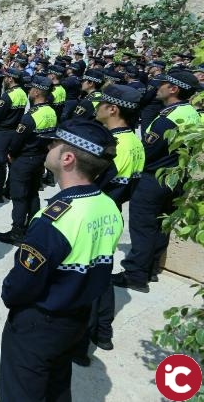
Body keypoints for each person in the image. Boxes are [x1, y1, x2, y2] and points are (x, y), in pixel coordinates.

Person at [0, 119, 122, 402]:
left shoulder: (54, 220)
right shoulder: (107, 205)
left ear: (68, 158)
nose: (48, 147)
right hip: (77, 317)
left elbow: (21, 285)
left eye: (53, 144)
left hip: (40, 325)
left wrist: (9, 295)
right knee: (56, 388)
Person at [70, 85, 145, 363]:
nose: (96, 107)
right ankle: (103, 331)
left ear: (113, 109)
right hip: (113, 212)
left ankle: (80, 345)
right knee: (102, 272)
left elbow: (91, 183)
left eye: (101, 103)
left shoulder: (112, 147)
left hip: (93, 214)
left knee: (83, 278)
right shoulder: (134, 142)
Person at [114, 69, 201, 293]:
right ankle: (150, 269)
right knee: (161, 226)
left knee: (143, 227)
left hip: (154, 179)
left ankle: (135, 275)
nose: (157, 88)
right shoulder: (191, 113)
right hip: (176, 178)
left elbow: (148, 152)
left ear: (173, 89)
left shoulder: (167, 119)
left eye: (162, 84)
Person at [0, 76, 57, 245]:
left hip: (24, 159)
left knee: (19, 197)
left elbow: (18, 140)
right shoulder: (51, 112)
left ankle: (17, 231)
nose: (29, 91)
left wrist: (11, 153)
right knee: (33, 194)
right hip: (40, 158)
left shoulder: (31, 116)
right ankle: (32, 226)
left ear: (36, 92)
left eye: (31, 89)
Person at [0, 67, 26, 203]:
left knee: (0, 162)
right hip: (15, 131)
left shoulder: (8, 95)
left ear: (11, 78)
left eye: (6, 77)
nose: (4, 80)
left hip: (4, 132)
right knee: (11, 161)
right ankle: (9, 189)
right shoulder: (23, 93)